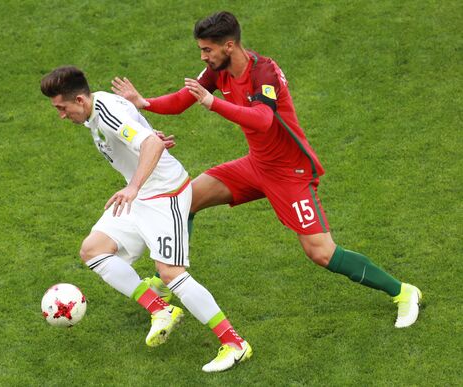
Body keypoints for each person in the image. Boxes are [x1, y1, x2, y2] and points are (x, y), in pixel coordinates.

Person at [111, 11, 422, 328]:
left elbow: (263, 119)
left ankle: (403, 292)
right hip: (256, 165)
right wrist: (143, 102)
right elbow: (180, 101)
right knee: (184, 200)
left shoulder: (265, 72)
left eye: (207, 50)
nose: (203, 56)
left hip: (290, 173)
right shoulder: (217, 70)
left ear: (228, 45)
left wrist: (212, 103)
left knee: (321, 252)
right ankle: (167, 279)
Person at [40, 66, 252, 372]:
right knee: (93, 249)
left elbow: (147, 143)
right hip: (142, 196)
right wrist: (149, 140)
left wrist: (134, 183)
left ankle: (235, 344)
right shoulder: (94, 111)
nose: (61, 114)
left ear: (81, 101)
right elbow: (141, 134)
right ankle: (160, 309)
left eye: (62, 107)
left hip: (164, 194)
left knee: (170, 272)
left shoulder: (106, 111)